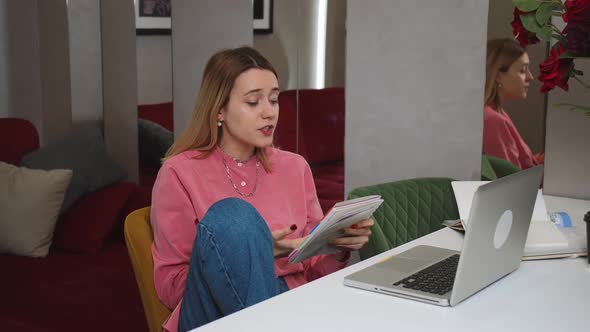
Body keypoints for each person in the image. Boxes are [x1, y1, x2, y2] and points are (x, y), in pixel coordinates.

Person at [150, 46, 374, 332]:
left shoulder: (295, 168)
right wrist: (249, 257)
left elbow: (314, 273)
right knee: (233, 217)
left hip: (290, 303)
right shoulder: (178, 172)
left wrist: (337, 249)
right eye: (254, 102)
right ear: (219, 109)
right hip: (211, 312)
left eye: (274, 100)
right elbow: (170, 285)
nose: (269, 112)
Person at [483, 38, 544, 170]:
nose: (530, 77)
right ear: (498, 76)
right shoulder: (492, 120)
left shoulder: (497, 112)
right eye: (522, 70)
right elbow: (510, 178)